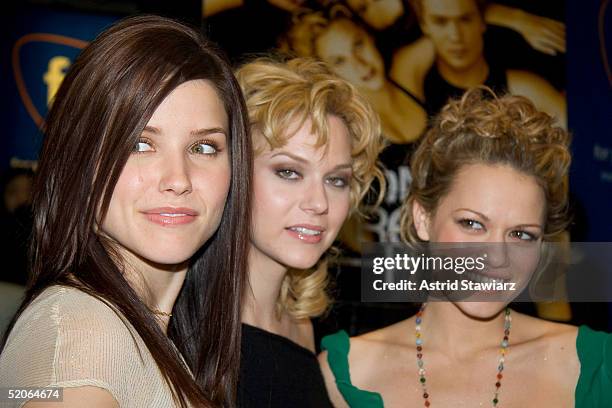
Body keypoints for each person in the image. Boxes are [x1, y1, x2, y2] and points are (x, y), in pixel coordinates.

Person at [0, 15, 252, 407]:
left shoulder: (140, 333)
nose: (178, 178)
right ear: (80, 161)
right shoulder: (80, 337)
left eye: (203, 148)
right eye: (139, 144)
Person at [318, 88, 610, 407]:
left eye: (521, 235)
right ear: (423, 217)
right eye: (472, 224)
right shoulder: (343, 376)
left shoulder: (595, 368)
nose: (497, 257)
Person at [234, 57, 385, 407]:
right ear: (235, 169)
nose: (319, 203)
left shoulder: (301, 323)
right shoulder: (175, 318)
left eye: (336, 180)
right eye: (289, 172)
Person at [390, 0, 567, 127]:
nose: (455, 35)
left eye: (465, 19)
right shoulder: (411, 82)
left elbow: (580, 143)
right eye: (441, 22)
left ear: (483, 22)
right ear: (424, 25)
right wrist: (516, 20)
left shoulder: (526, 89)